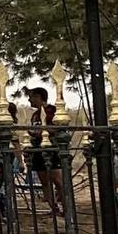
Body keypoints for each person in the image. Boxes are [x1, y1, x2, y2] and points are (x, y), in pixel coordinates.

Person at [25, 86, 69, 219]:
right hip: (38, 149)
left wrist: (43, 132)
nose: (29, 100)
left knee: (58, 180)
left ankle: (67, 209)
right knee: (44, 181)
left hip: (52, 149)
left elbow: (58, 128)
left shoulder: (51, 110)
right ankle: (54, 208)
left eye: (31, 97)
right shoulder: (35, 115)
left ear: (39, 97)